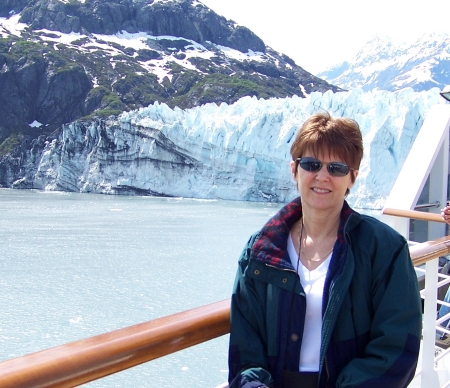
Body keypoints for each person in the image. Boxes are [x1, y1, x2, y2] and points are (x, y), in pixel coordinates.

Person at [228, 112, 422, 388]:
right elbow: (245, 353)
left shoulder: (384, 250)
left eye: (337, 168)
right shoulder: (260, 251)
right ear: (295, 170)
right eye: (312, 164)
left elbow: (396, 349)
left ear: (352, 179)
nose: (322, 176)